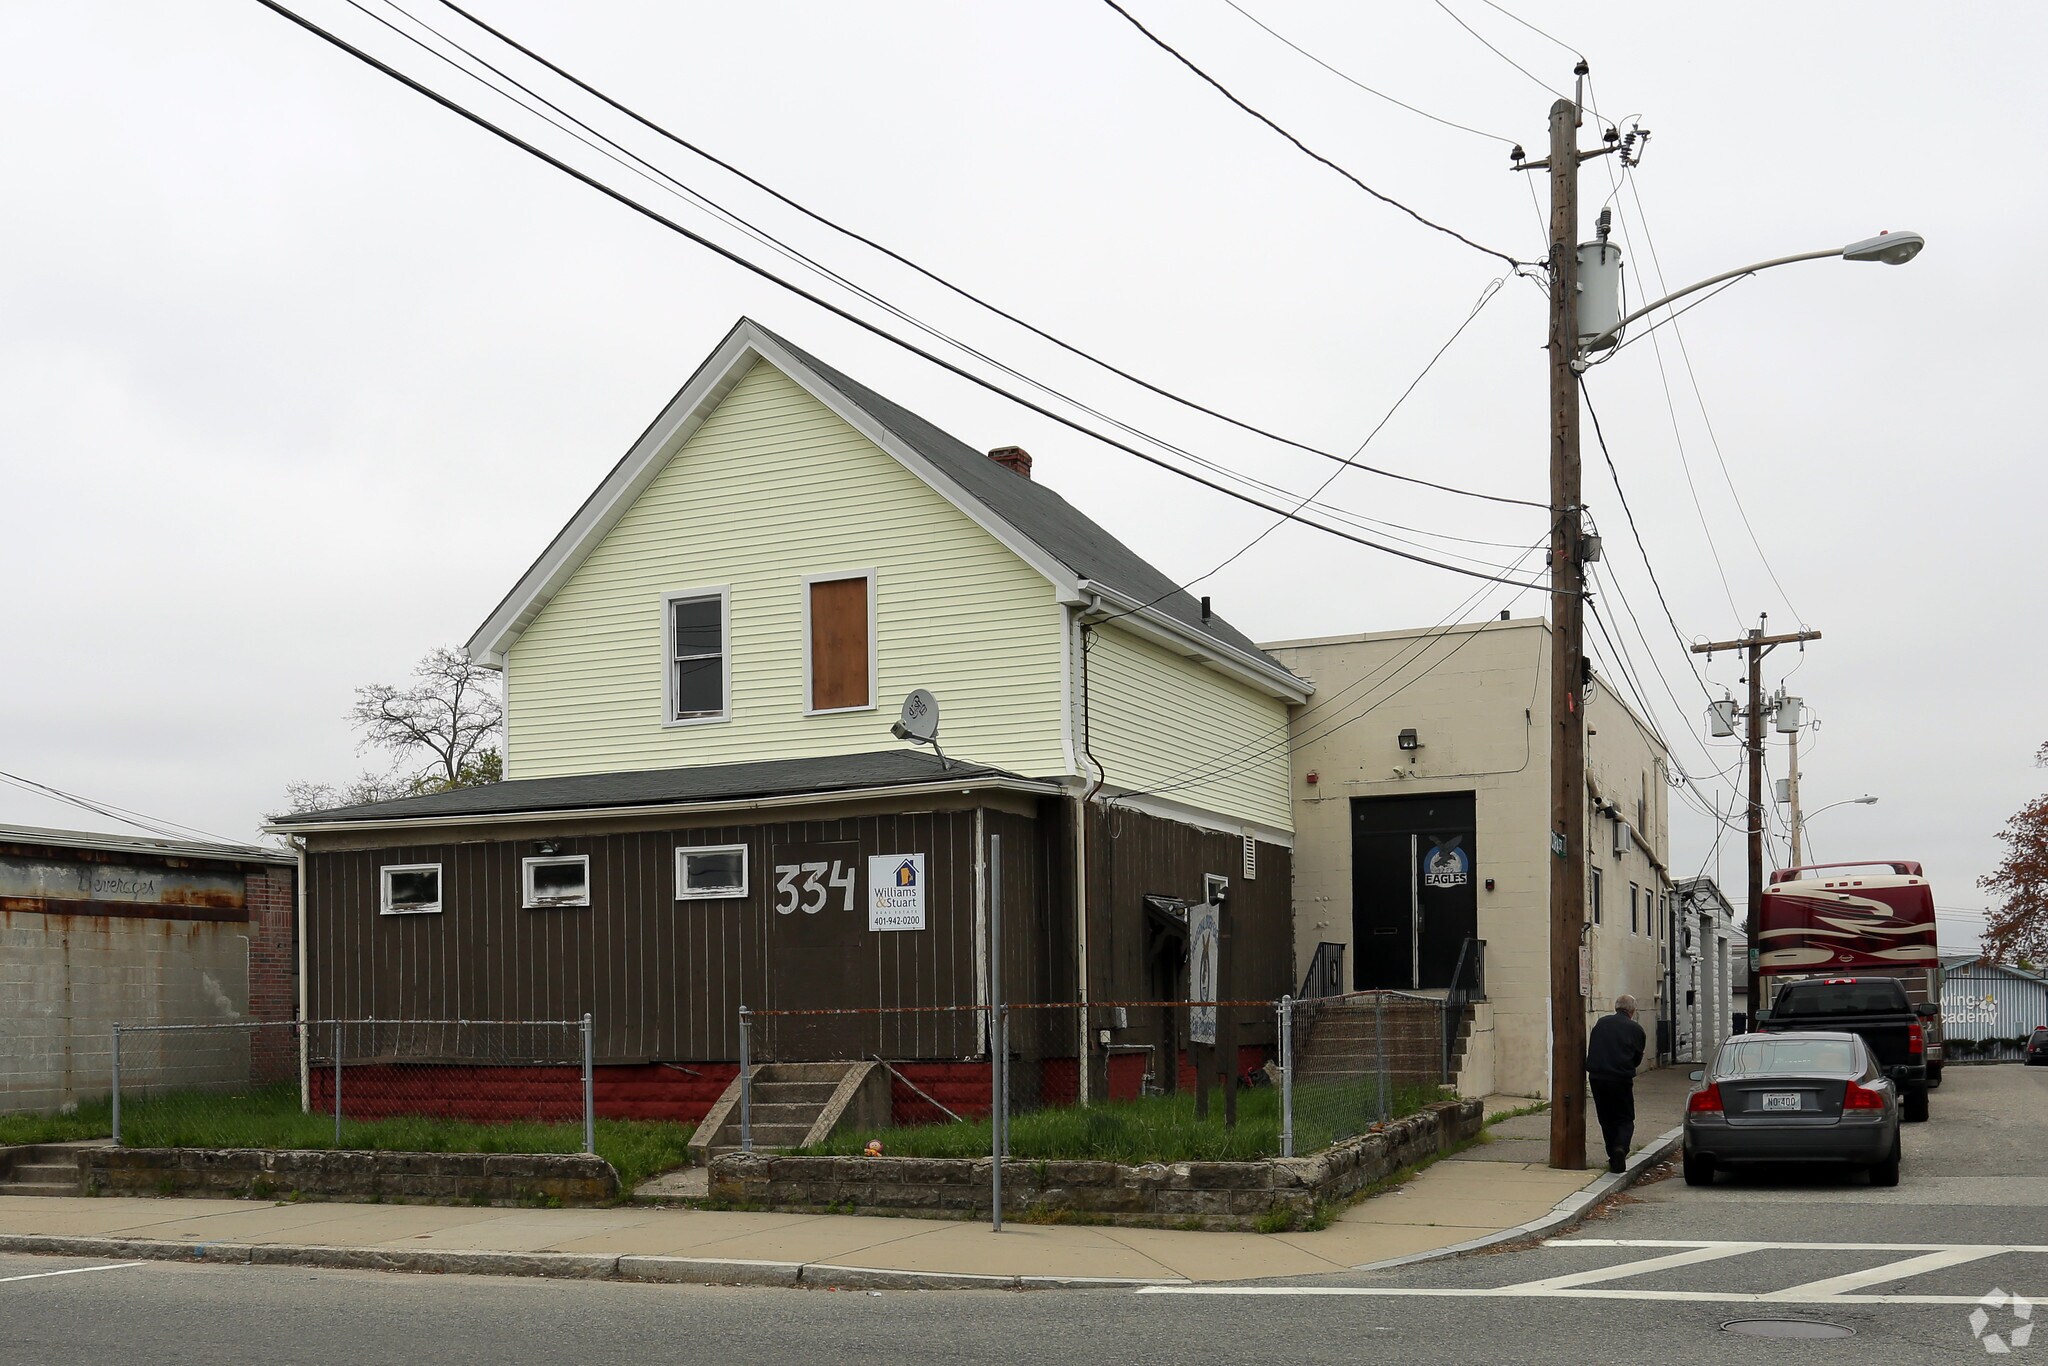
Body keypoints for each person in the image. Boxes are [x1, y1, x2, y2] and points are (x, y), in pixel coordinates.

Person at [1586, 994, 1646, 1173]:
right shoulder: (1636, 1029)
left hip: (1597, 1077)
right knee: (1625, 1119)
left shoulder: (1601, 1024)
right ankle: (1621, 1147)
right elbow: (1637, 1058)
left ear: (1616, 1007)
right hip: (1620, 1079)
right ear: (1632, 1011)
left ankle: (1613, 1155)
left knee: (1606, 1119)